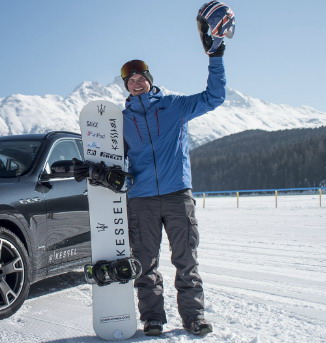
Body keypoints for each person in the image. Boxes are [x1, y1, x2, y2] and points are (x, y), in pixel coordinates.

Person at [75, 2, 233, 336]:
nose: (135, 83)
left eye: (139, 77)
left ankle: (194, 317)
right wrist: (97, 171)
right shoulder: (120, 120)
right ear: (125, 86)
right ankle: (153, 319)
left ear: (149, 79)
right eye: (129, 80)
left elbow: (214, 97)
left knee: (186, 261)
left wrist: (216, 56)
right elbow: (110, 157)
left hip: (178, 196)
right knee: (145, 265)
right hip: (142, 199)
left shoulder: (175, 106)